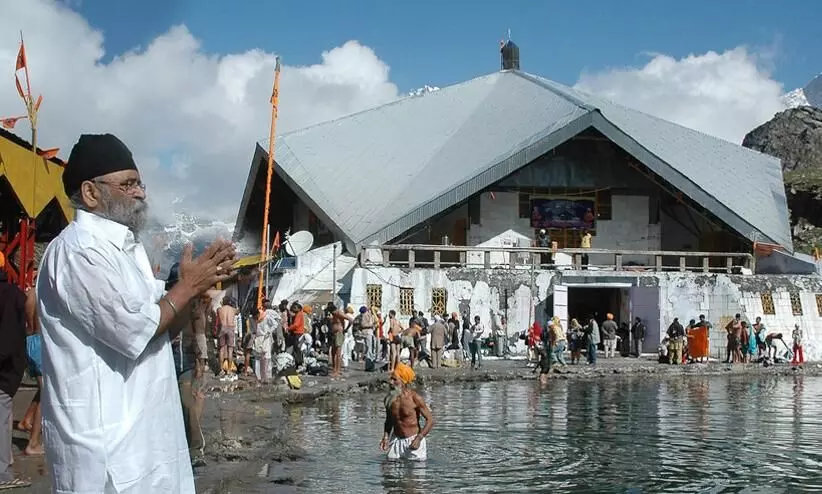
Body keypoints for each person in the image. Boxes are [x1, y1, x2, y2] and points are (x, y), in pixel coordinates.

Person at [36, 133, 236, 493]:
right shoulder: (78, 252)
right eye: (128, 184)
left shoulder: (129, 251)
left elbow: (160, 330)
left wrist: (200, 289)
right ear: (91, 193)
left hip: (147, 442)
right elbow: (133, 330)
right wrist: (188, 286)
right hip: (107, 453)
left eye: (140, 183)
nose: (141, 193)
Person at [166, 263, 207, 467]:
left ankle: (195, 449)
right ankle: (175, 448)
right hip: (167, 363)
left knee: (186, 404)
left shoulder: (193, 305)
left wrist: (201, 360)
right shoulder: (164, 304)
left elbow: (199, 332)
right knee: (170, 408)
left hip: (186, 364)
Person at [0, 265, 31, 489]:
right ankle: (2, 473)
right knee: (2, 421)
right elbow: (12, 338)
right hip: (4, 373)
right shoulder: (12, 295)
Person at [380, 363, 434, 461]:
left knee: (415, 474)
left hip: (413, 440)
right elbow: (389, 420)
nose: (390, 382)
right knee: (387, 472)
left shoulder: (415, 398)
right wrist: (386, 437)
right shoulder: (389, 399)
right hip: (396, 440)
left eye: (394, 379)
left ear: (403, 382)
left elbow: (430, 420)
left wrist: (419, 438)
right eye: (390, 379)